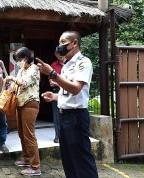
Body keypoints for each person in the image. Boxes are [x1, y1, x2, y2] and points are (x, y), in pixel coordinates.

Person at [37, 30, 98, 178]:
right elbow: (68, 93)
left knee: (81, 158)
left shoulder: (83, 62)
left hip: (76, 117)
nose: (60, 46)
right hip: (63, 116)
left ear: (75, 43)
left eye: (63, 42)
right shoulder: (66, 65)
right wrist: (55, 96)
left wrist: (52, 74)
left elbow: (76, 89)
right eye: (59, 42)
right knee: (68, 159)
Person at [6, 47, 41, 176]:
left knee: (29, 135)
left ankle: (35, 166)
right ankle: (27, 158)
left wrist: (12, 79)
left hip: (30, 103)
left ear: (26, 58)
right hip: (20, 103)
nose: (18, 62)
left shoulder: (34, 69)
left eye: (19, 59)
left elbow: (24, 83)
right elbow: (16, 85)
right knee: (21, 133)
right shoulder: (21, 70)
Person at [49, 52, 64, 143]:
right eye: (59, 55)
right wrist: (62, 83)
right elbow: (51, 81)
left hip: (68, 90)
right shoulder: (54, 65)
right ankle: (57, 136)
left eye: (62, 55)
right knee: (56, 114)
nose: (60, 57)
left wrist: (58, 82)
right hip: (56, 90)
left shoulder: (70, 64)